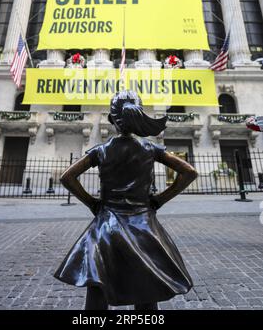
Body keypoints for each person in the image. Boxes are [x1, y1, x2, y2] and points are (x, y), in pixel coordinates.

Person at [54, 90, 197, 310]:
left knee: (98, 286)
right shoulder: (151, 149)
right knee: (148, 287)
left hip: (106, 226)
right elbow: (189, 172)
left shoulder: (101, 150)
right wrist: (159, 200)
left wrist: (92, 203)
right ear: (139, 114)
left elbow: (67, 177)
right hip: (144, 227)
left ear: (112, 120)